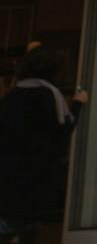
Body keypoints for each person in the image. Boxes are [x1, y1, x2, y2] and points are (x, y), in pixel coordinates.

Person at [0, 48, 83, 241]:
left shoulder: (12, 96)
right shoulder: (49, 94)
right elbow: (62, 130)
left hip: (7, 174)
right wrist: (78, 104)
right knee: (28, 228)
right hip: (34, 176)